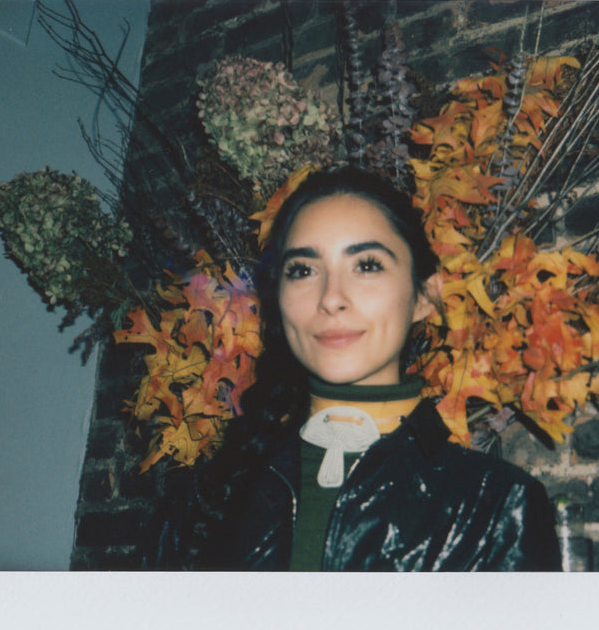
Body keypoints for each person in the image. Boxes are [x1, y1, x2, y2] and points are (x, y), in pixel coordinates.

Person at [146, 167, 561, 571]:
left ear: (424, 296)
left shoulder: (498, 507)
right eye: (303, 270)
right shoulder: (201, 504)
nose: (331, 298)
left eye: (366, 265)